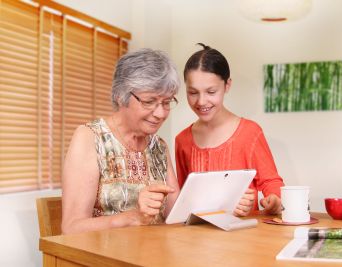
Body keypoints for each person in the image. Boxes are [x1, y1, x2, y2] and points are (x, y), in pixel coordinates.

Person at [62, 48, 181, 234]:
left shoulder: (159, 146)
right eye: (149, 101)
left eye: (166, 103)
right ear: (120, 96)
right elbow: (71, 228)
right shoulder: (90, 137)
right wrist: (134, 217)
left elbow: (177, 216)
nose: (160, 113)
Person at [175, 43, 284, 217]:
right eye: (193, 92)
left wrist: (274, 201)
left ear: (227, 86)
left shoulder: (250, 133)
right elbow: (183, 198)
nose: (201, 101)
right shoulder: (182, 141)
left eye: (211, 91)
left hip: (243, 239)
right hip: (197, 240)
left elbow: (272, 183)